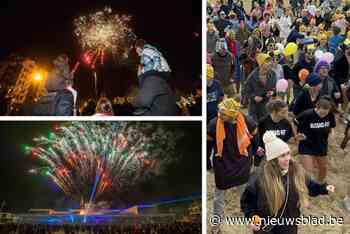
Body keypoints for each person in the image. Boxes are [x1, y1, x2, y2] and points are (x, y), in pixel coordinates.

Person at [241, 131, 335, 234]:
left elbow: (310, 186)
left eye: (288, 154)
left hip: (289, 226)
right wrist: (252, 218)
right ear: (273, 160)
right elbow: (247, 202)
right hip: (265, 228)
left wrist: (324, 188)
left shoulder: (297, 172)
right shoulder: (258, 178)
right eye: (282, 156)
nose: (287, 159)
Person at [207, 98, 258, 234]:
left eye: (223, 113)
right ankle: (216, 225)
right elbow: (208, 145)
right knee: (219, 197)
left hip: (242, 162)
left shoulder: (248, 122)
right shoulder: (213, 124)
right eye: (219, 112)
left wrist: (257, 157)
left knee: (245, 194)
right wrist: (207, 162)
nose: (220, 115)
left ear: (232, 114)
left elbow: (255, 141)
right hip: (223, 164)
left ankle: (253, 222)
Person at [294, 96, 336, 184]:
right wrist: (296, 135)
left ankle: (319, 184)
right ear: (317, 108)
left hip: (321, 145)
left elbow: (332, 127)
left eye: (325, 113)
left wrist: (332, 134)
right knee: (309, 169)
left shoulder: (330, 115)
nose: (323, 115)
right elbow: (294, 122)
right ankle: (306, 187)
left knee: (323, 168)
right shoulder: (307, 114)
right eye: (321, 113)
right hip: (306, 145)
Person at [133, 39, 177, 116]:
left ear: (138, 48)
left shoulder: (151, 79)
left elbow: (143, 101)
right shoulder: (162, 84)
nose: (137, 54)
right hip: (163, 73)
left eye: (136, 50)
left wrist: (135, 103)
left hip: (154, 72)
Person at [245, 53, 277, 121]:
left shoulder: (273, 74)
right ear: (261, 64)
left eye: (270, 61)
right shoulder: (252, 77)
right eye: (267, 62)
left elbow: (274, 88)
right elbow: (246, 91)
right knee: (255, 128)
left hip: (267, 107)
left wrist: (272, 92)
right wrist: (254, 97)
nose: (270, 63)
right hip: (254, 108)